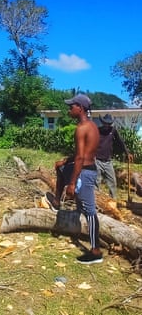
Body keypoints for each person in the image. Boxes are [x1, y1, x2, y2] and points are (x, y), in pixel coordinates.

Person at [46, 94, 103, 264]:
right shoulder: (92, 126)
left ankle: (95, 251)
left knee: (90, 212)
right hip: (88, 168)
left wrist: (72, 183)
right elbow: (81, 154)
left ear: (80, 108)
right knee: (61, 167)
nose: (69, 109)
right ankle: (56, 202)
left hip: (84, 172)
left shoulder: (81, 129)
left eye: (72, 106)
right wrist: (66, 160)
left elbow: (80, 158)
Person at [96, 113, 133, 199]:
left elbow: (120, 141)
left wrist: (127, 153)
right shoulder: (97, 130)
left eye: (108, 124)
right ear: (102, 122)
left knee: (112, 182)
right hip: (97, 160)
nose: (107, 125)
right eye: (105, 123)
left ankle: (113, 201)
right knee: (96, 182)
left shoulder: (113, 130)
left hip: (108, 161)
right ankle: (96, 202)